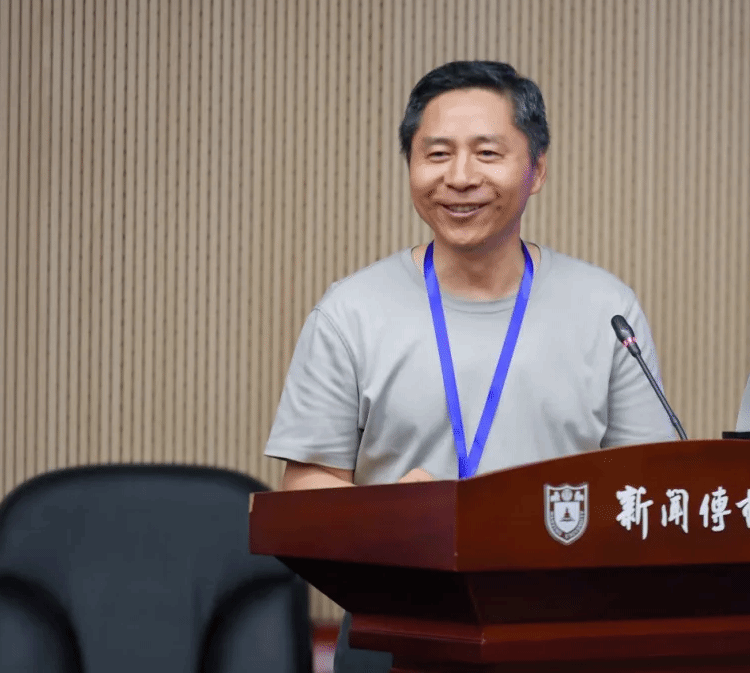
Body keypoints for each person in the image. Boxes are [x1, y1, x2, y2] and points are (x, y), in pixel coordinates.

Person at [263, 60, 677, 672]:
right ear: (410, 166)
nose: (459, 178)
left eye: (487, 153)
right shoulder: (349, 312)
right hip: (395, 630)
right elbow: (303, 490)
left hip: (566, 635)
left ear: (537, 170)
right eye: (436, 154)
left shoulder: (606, 309)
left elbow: (651, 487)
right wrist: (383, 518)